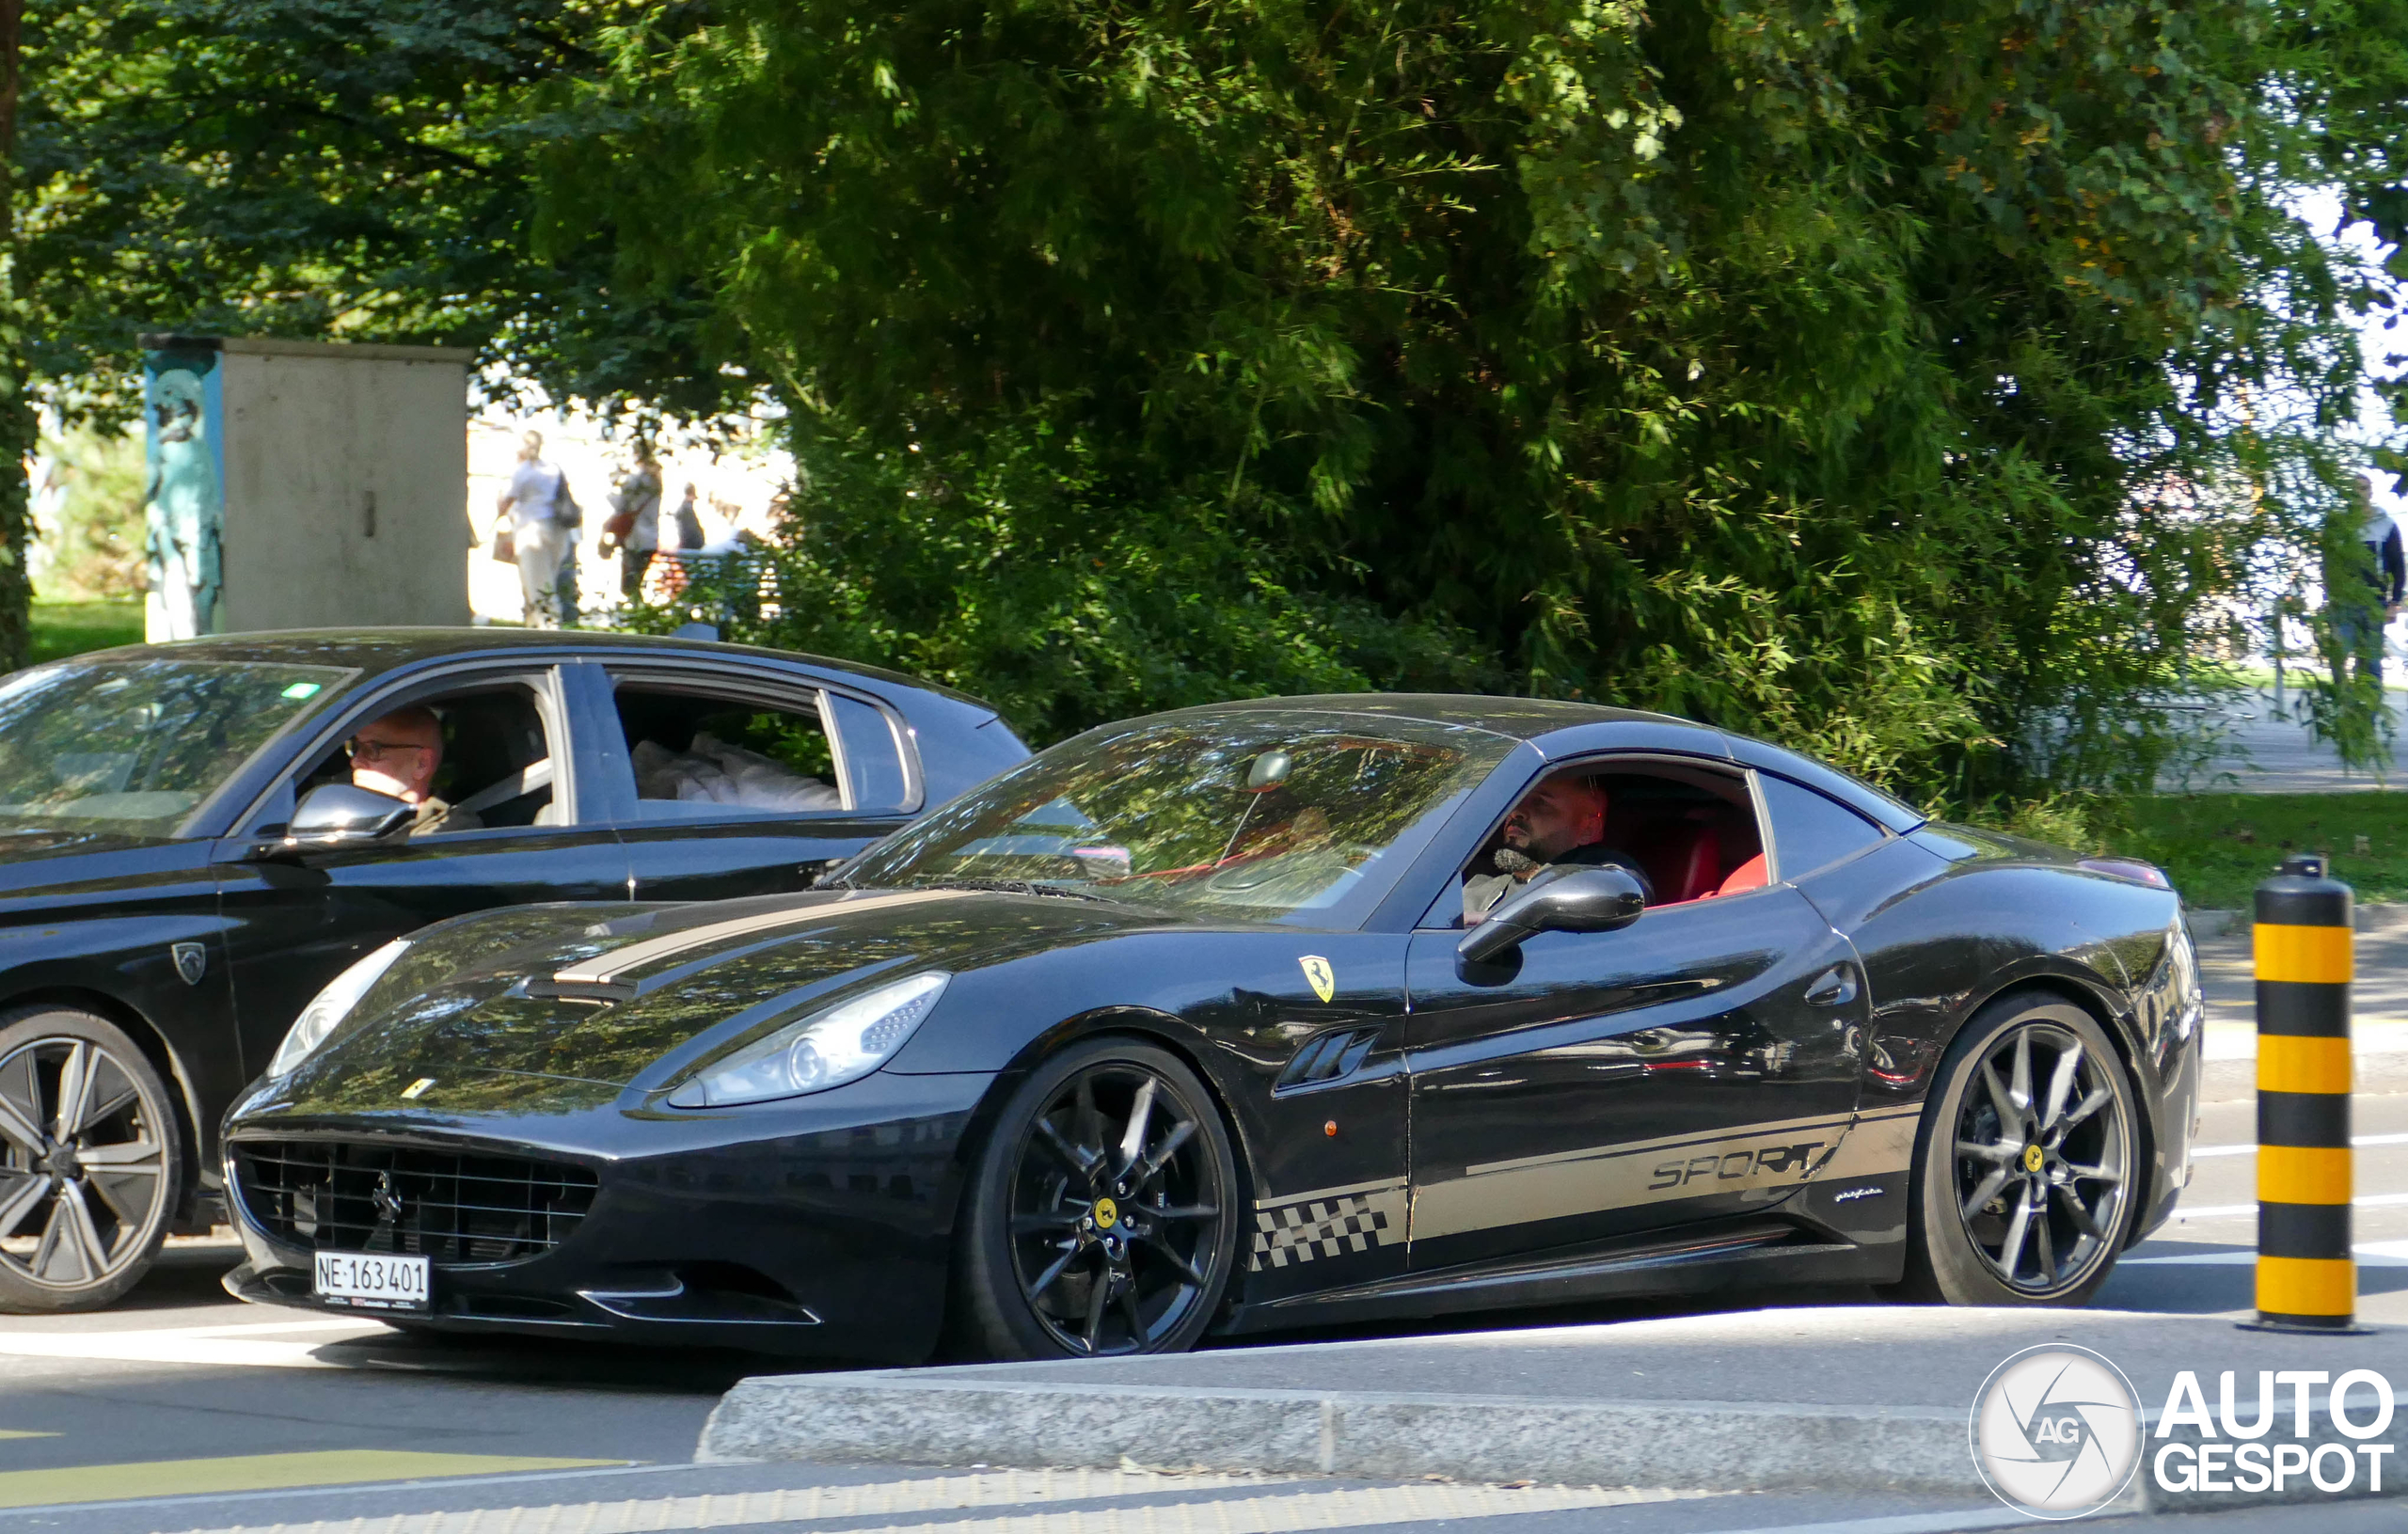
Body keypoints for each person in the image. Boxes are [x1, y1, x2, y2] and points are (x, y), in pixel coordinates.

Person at [1464, 775, 1653, 923]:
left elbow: (1628, 892)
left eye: (1540, 803)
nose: (1516, 811)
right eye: (1516, 800)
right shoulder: (1477, 878)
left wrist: (1495, 923)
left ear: (1588, 829)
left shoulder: (1596, 870)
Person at [349, 705, 481, 836]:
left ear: (421, 764)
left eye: (373, 750)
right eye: (355, 747)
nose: (355, 761)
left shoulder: (448, 831)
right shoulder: (347, 817)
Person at [2333, 473, 2404, 688]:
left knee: (2371, 662)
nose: (2358, 492)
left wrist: (2394, 603)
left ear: (2370, 492)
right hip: (2344, 602)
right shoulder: (2339, 524)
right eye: (2354, 488)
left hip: (2374, 603)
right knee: (2338, 656)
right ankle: (2343, 707)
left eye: (2363, 488)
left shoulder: (2386, 524)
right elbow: (2330, 562)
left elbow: (2397, 565)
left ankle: (2368, 715)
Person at [499, 432, 571, 627]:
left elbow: (505, 503)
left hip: (531, 531)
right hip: (556, 531)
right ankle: (534, 626)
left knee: (537, 584)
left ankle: (549, 628)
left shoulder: (522, 472)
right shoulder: (552, 469)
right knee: (547, 579)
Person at [610, 451, 663, 602]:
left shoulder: (637, 483)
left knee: (630, 581)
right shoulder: (657, 487)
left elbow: (621, 504)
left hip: (635, 539)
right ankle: (637, 607)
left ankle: (635, 608)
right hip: (650, 539)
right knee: (637, 579)